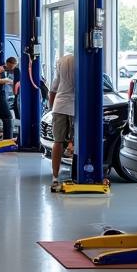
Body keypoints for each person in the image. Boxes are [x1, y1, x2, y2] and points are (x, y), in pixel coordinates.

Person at [49, 51, 76, 192]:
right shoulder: (82, 61)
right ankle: (76, 174)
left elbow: (54, 87)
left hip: (59, 104)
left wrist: (51, 107)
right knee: (76, 139)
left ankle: (55, 176)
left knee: (57, 141)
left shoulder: (61, 61)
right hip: (75, 106)